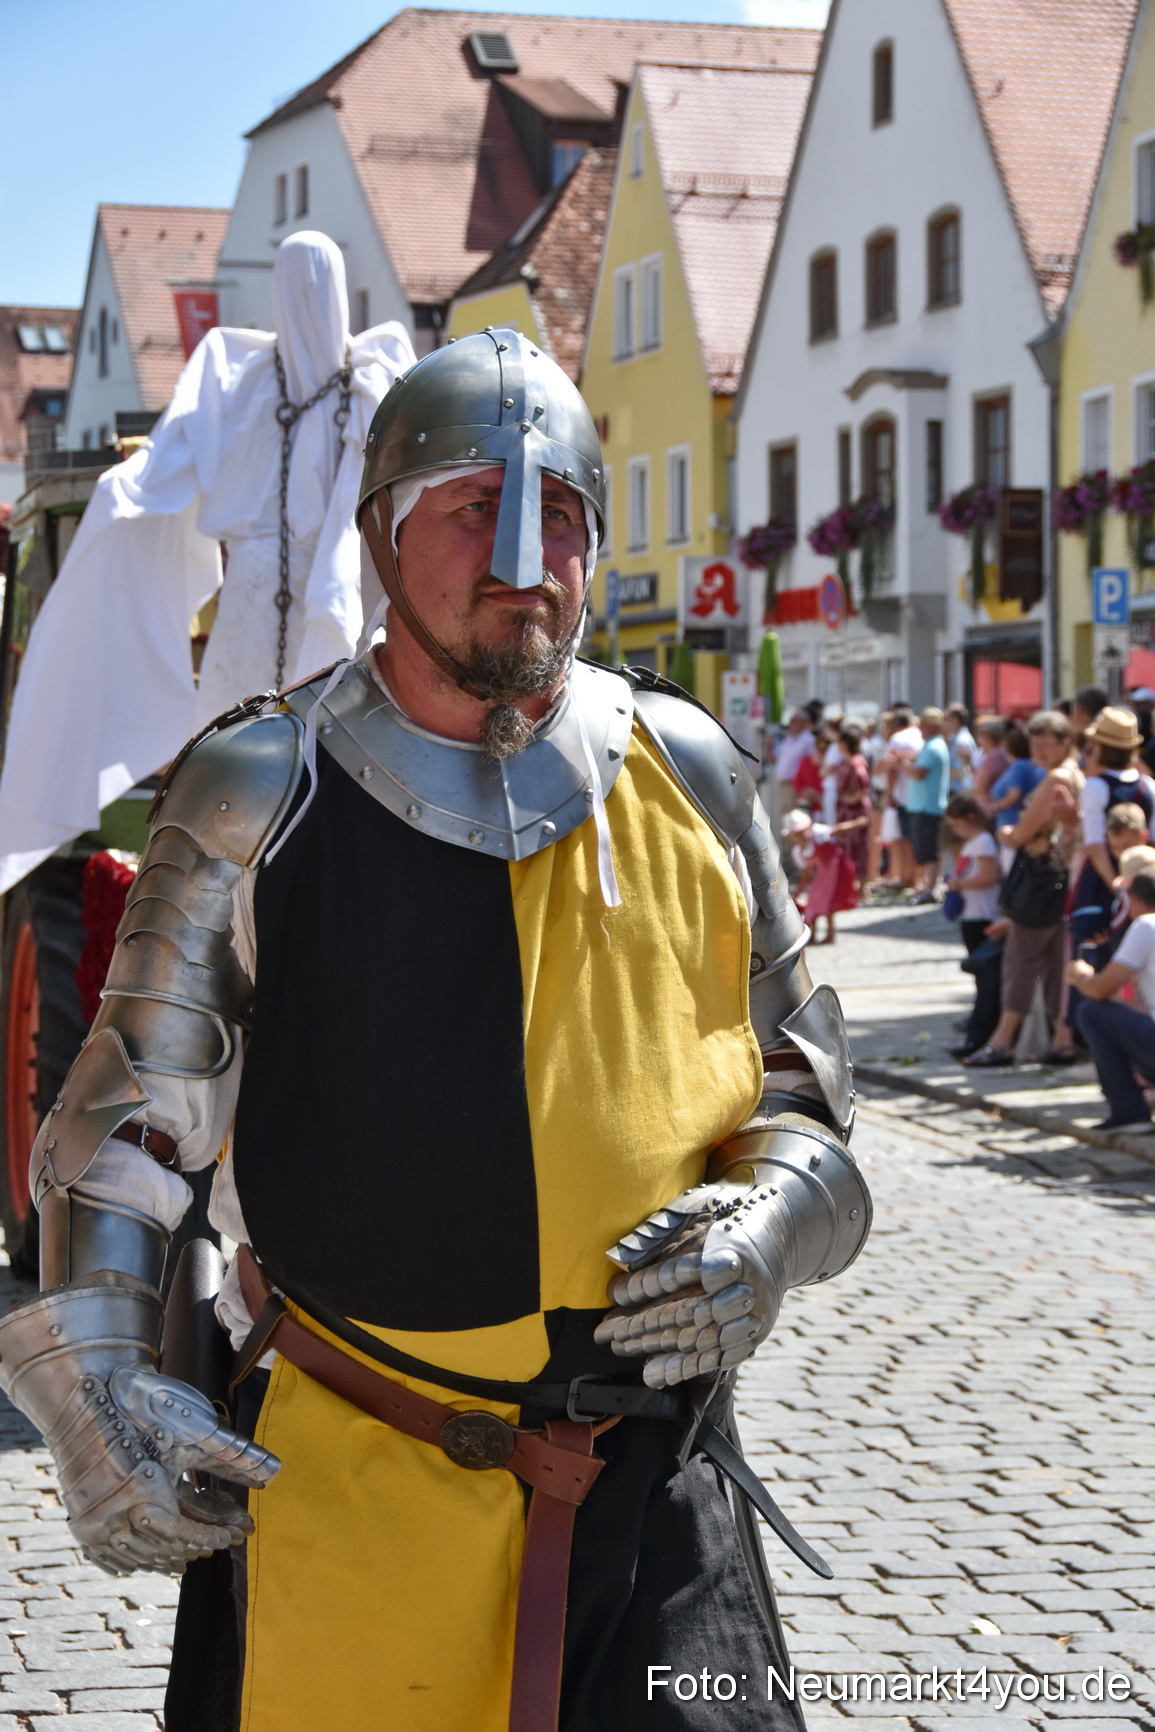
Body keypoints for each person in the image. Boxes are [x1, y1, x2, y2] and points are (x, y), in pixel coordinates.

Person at [0, 329, 870, 1732]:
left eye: (564, 517)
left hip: (658, 1497)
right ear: (387, 534)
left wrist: (769, 1218)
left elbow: (808, 1091)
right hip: (356, 1473)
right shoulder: (260, 786)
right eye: (473, 507)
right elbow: (127, 1128)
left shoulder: (690, 774)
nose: (523, 557)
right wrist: (96, 1380)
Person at [0, 232, 415, 895]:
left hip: (327, 604)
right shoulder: (242, 384)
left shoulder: (372, 389)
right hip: (251, 612)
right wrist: (126, 491)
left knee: (339, 771)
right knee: (225, 779)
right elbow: (173, 454)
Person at [964, 710, 1083, 1068]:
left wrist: (1004, 832)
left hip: (1041, 880)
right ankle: (1061, 1038)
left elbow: (1020, 834)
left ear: (1066, 743)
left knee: (1020, 961)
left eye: (1047, 744)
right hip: (1061, 880)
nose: (1039, 750)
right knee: (1055, 962)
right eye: (1035, 742)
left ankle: (1002, 1041)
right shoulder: (1076, 774)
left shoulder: (1056, 779)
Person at [1067, 868, 1155, 1132]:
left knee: (1093, 1012)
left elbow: (1100, 990)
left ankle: (1129, 1110)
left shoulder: (1146, 925)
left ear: (1135, 900)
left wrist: (1081, 976)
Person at [943, 794, 1003, 1058]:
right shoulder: (973, 842)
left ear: (969, 818)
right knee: (978, 971)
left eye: (956, 824)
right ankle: (978, 1016)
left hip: (983, 914)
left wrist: (960, 884)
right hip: (971, 913)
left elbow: (991, 875)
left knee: (984, 972)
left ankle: (984, 1024)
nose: (954, 831)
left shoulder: (983, 842)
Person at [781, 807, 861, 943]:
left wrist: (857, 823)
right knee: (813, 903)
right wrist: (799, 892)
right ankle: (812, 934)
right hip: (824, 873)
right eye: (796, 833)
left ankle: (830, 934)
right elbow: (807, 872)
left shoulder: (817, 834)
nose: (800, 835)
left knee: (828, 902)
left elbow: (839, 828)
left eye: (801, 831)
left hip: (837, 867)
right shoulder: (798, 852)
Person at [905, 707, 951, 903]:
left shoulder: (934, 746)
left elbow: (919, 772)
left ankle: (930, 888)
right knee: (926, 849)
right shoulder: (931, 745)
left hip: (928, 807)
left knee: (930, 850)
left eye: (923, 724)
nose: (919, 727)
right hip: (924, 806)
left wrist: (901, 764)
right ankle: (928, 886)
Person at [989, 726, 1045, 867]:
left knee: (1012, 877)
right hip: (1020, 830)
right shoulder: (1031, 766)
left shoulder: (1019, 766)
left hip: (1013, 830)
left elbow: (1014, 794)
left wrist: (995, 807)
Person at [880, 704, 922, 890]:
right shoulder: (921, 735)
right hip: (920, 794)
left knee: (904, 840)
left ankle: (906, 878)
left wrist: (890, 794)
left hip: (903, 794)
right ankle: (918, 878)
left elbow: (891, 770)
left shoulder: (897, 738)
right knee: (916, 839)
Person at [834, 725, 872, 885]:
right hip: (845, 808)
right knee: (846, 846)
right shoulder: (845, 760)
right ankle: (849, 883)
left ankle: (863, 885)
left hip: (856, 809)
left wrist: (853, 798)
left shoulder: (856, 763)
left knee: (859, 847)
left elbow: (862, 784)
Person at [774, 707, 815, 811]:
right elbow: (776, 758)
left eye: (794, 721)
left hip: (796, 785)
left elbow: (811, 764)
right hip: (784, 784)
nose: (790, 724)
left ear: (803, 722)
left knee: (795, 816)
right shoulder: (789, 739)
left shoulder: (808, 740)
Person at [972, 716, 1010, 813]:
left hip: (988, 809)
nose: (978, 737)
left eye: (980, 734)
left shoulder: (994, 757)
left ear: (988, 737)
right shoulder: (1002, 752)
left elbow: (981, 786)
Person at [943, 702, 976, 795]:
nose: (944, 722)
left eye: (946, 718)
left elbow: (963, 772)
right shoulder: (954, 738)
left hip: (958, 791)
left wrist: (937, 770)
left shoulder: (962, 741)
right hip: (955, 790)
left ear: (955, 719)